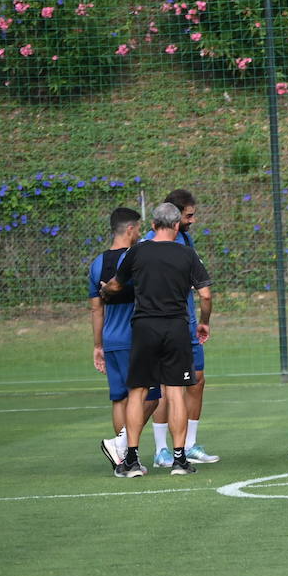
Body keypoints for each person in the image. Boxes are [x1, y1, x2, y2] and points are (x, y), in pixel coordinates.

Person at [101, 202, 212, 477]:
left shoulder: (137, 251)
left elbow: (116, 284)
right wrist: (205, 321)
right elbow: (206, 295)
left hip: (144, 327)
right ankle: (179, 460)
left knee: (137, 391)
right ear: (177, 226)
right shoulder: (187, 254)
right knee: (175, 392)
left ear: (152, 226)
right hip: (176, 327)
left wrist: (106, 290)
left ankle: (131, 459)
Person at [142, 189, 217, 466]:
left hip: (187, 323)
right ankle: (162, 449)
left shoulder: (185, 240)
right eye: (189, 215)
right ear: (174, 217)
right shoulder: (146, 245)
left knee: (197, 379)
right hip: (161, 325)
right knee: (163, 386)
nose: (193, 220)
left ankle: (189, 444)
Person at [91, 207, 161, 469]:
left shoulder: (97, 263)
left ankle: (123, 459)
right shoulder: (138, 258)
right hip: (136, 337)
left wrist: (98, 345)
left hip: (111, 338)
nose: (140, 233)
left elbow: (96, 308)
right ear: (130, 229)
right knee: (151, 397)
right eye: (139, 228)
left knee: (120, 398)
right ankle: (121, 444)